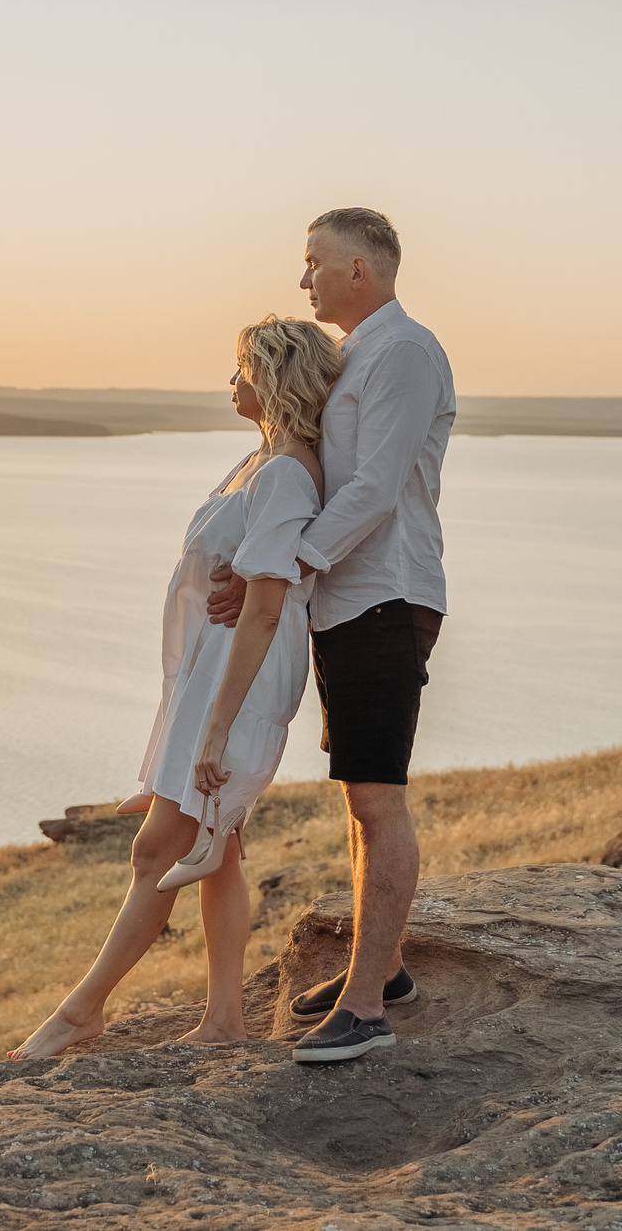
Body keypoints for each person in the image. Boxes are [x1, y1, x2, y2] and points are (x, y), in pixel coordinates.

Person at [7, 315, 343, 1059]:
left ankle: (80, 1011)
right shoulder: (258, 461)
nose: (231, 382)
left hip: (239, 681)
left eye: (242, 368)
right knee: (218, 850)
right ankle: (226, 1018)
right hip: (212, 673)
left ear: (275, 376)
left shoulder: (287, 471)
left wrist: (216, 731)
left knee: (155, 853)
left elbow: (262, 607)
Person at [206, 206, 454, 1064]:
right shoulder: (356, 357)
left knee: (379, 797)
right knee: (358, 793)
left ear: (361, 268)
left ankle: (366, 1012)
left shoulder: (405, 352)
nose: (303, 278)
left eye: (314, 262)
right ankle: (377, 970)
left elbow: (375, 490)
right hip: (347, 601)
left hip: (386, 596)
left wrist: (283, 569)